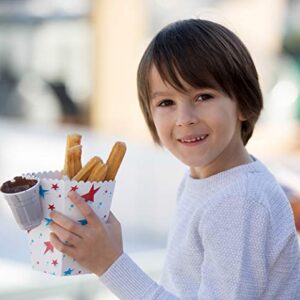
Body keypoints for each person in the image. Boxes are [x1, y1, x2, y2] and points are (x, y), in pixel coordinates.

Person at [49, 19, 300, 299]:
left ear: (242, 103)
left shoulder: (239, 201)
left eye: (203, 96)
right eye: (166, 102)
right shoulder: (207, 180)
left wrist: (111, 264)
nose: (185, 119)